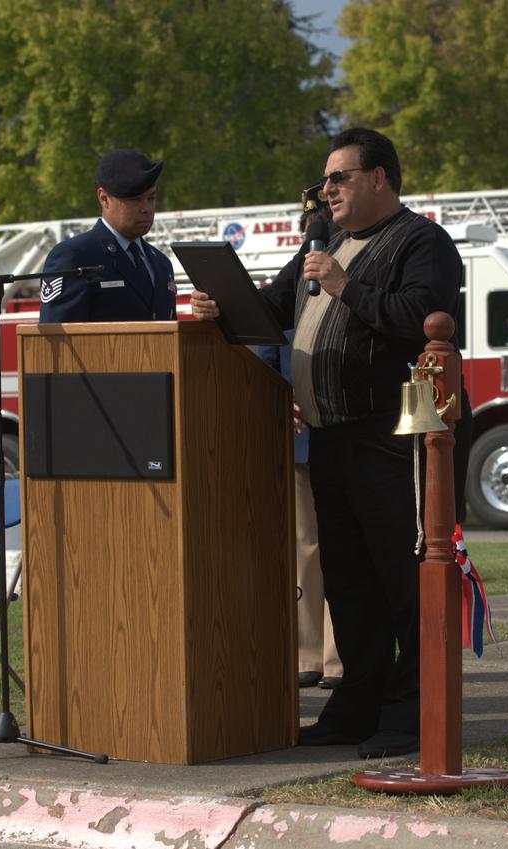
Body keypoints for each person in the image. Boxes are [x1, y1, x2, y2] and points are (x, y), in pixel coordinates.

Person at [190, 128, 466, 759]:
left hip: (393, 440)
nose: (327, 190)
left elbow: (419, 317)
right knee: (350, 584)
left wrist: (345, 286)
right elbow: (269, 308)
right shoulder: (327, 243)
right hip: (332, 441)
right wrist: (220, 304)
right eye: (325, 180)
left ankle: (411, 715)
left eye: (339, 178)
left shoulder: (422, 242)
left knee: (405, 583)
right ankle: (355, 708)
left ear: (379, 178)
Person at [257, 194, 343, 692]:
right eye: (309, 235)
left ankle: (339, 656)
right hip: (298, 438)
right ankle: (308, 654)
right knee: (303, 546)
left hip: (344, 431)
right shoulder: (289, 287)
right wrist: (279, 396)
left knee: (342, 548)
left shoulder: (350, 281)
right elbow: (263, 349)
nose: (314, 242)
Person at [39, 149, 176, 323]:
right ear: (104, 198)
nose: (146, 208)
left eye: (151, 198)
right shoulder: (75, 256)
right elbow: (57, 341)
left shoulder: (161, 264)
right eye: (135, 199)